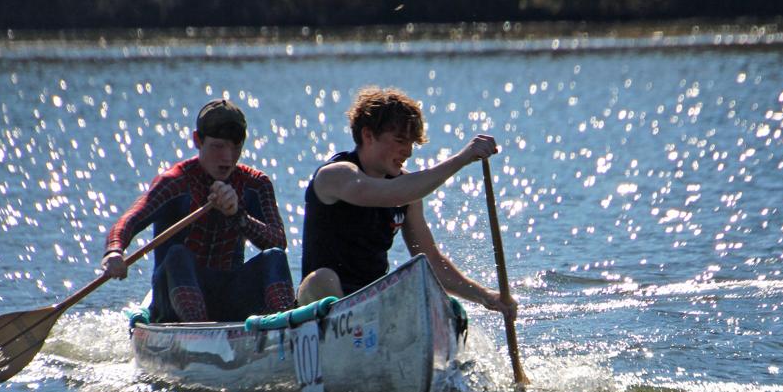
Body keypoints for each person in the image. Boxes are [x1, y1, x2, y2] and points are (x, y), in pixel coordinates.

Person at [298, 86, 516, 320]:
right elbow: (389, 193)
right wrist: (462, 158)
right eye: (401, 140)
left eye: (412, 143)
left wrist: (487, 297)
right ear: (368, 135)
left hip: (371, 305)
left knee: (426, 292)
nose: (408, 152)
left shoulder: (407, 193)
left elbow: (432, 262)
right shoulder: (335, 176)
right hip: (320, 304)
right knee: (322, 278)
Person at [102, 98, 295, 322]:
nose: (228, 158)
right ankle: (197, 328)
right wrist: (114, 250)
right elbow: (130, 219)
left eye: (236, 147)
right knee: (178, 254)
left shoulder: (256, 184)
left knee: (274, 257)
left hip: (228, 296)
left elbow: (278, 241)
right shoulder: (174, 182)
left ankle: (285, 326)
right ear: (197, 140)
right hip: (174, 299)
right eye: (218, 146)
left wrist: (238, 216)